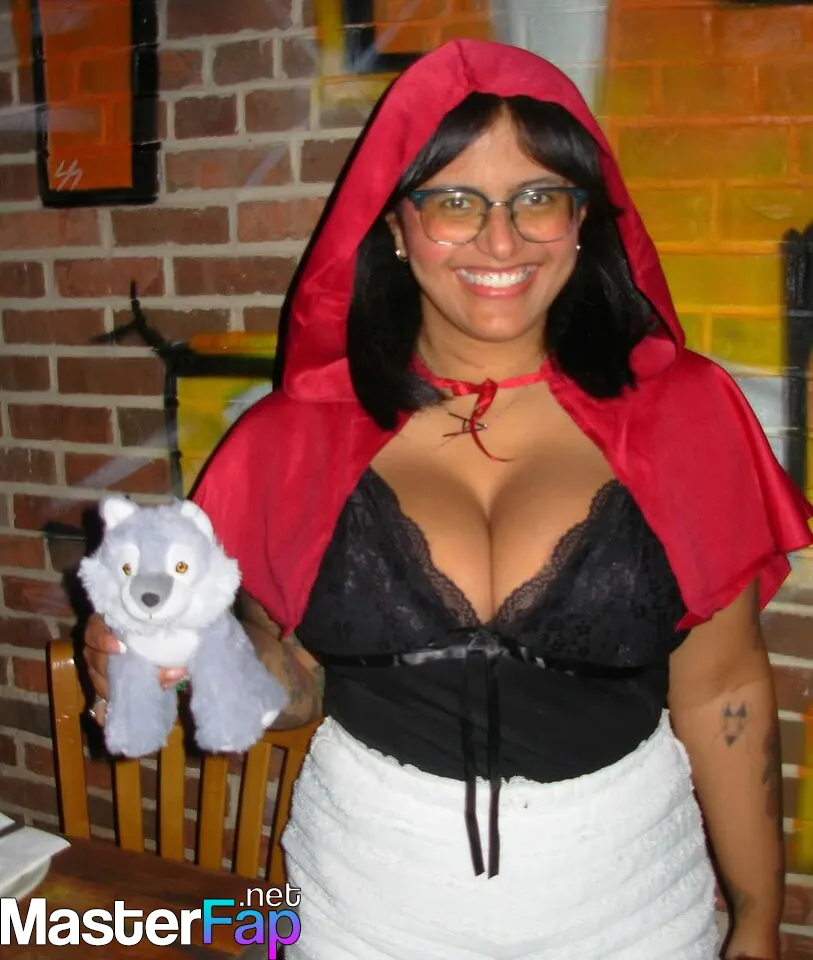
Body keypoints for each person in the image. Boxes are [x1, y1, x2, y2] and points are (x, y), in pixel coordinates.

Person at [83, 40, 812, 960]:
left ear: (582, 218)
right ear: (395, 225)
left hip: (634, 916)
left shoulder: (686, 417)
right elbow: (297, 677)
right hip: (360, 917)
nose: (500, 241)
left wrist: (757, 920)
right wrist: (182, 659)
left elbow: (723, 687)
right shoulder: (290, 439)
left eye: (537, 197)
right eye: (454, 201)